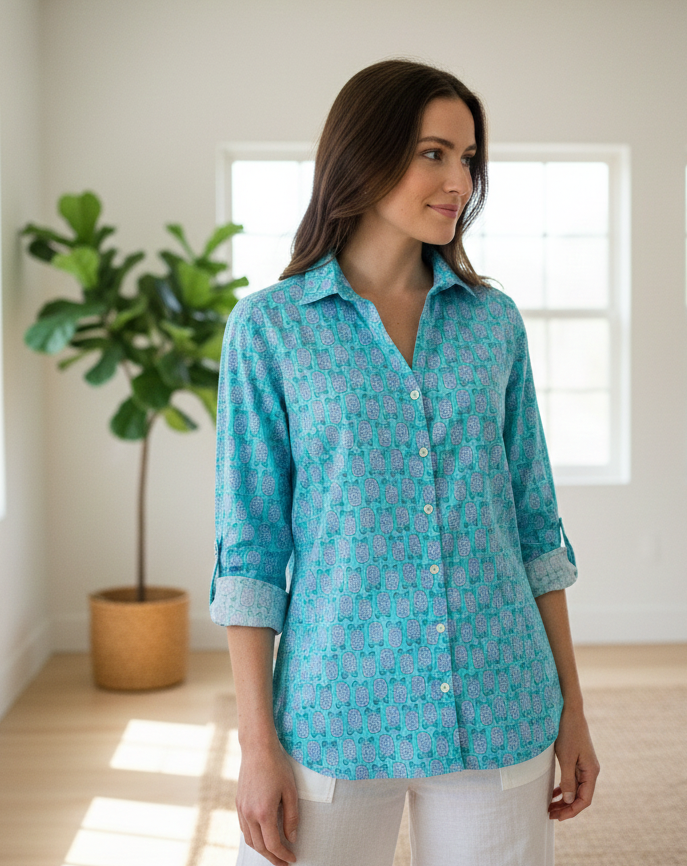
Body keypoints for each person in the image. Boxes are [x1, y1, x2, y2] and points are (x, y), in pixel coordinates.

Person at [209, 59, 600, 866]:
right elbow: (248, 552)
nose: (458, 179)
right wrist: (255, 745)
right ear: (363, 153)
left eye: (467, 158)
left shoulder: (493, 323)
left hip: (500, 702)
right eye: (433, 152)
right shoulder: (271, 330)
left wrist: (572, 706)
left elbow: (535, 528)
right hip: (333, 712)